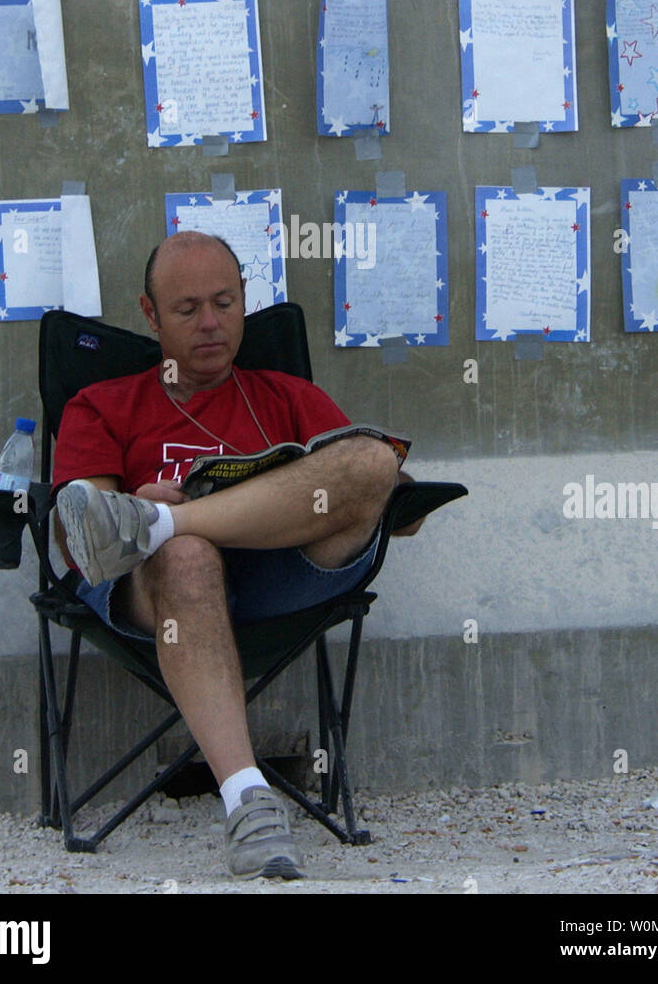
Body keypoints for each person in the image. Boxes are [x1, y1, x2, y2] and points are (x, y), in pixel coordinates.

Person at [53, 231, 421, 880]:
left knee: (371, 457)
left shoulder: (287, 397)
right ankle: (248, 801)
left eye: (225, 303)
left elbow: (394, 505)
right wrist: (138, 506)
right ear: (149, 315)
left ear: (246, 300)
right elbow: (81, 537)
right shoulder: (103, 406)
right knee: (188, 555)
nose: (211, 324)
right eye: (187, 308)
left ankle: (165, 522)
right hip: (164, 596)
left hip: (279, 582)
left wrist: (170, 516)